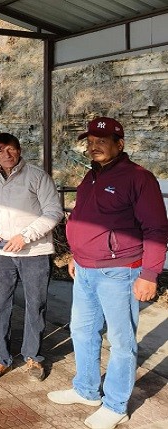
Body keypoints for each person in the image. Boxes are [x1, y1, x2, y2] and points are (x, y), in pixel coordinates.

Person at [47, 117, 168, 429]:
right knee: (82, 331)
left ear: (120, 144)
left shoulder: (138, 178)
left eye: (102, 140)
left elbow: (156, 228)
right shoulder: (91, 175)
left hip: (120, 272)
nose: (94, 145)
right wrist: (76, 253)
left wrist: (150, 274)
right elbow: (87, 220)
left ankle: (116, 405)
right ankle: (86, 390)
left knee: (121, 340)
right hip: (85, 269)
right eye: (90, 140)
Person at [0, 133, 63, 383]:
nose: (7, 155)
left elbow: (54, 211)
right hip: (0, 254)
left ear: (20, 150)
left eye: (11, 149)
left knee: (35, 304)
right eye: (0, 150)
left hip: (33, 253)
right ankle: (0, 358)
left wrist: (25, 237)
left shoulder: (37, 176)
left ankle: (33, 357)